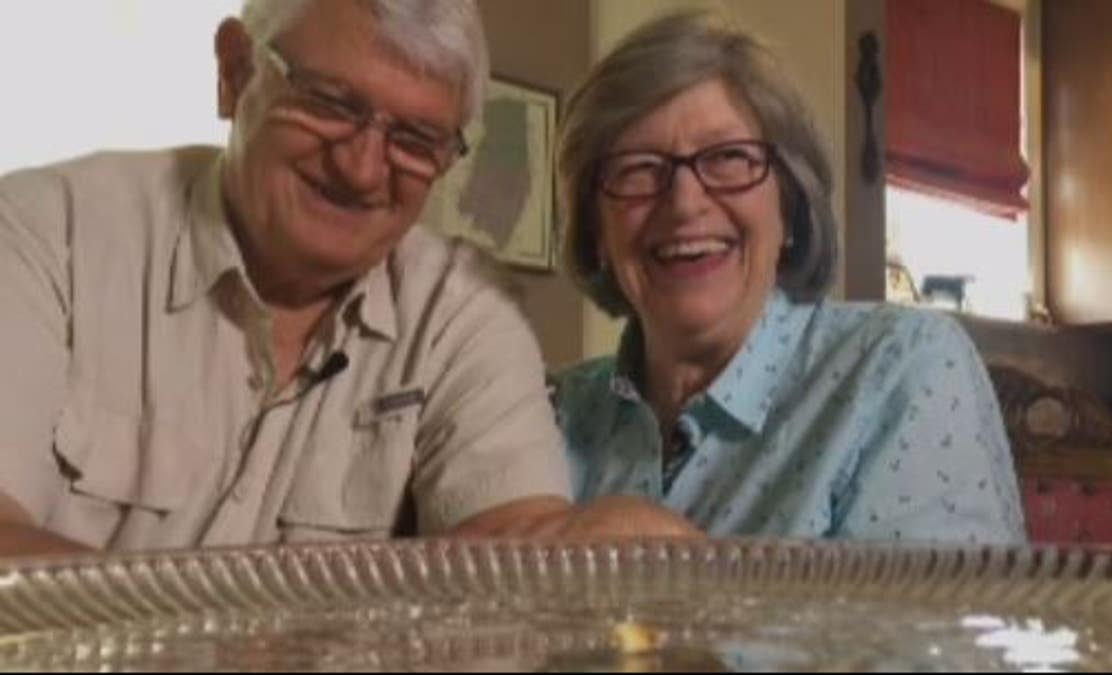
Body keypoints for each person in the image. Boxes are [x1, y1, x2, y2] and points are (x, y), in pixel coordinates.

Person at [0, 0, 699, 557]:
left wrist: (589, 546)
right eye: (329, 102)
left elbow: (510, 566)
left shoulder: (466, 316)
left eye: (415, 140)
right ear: (234, 71)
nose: (362, 168)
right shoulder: (44, 233)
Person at [552, 10, 1026, 544]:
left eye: (729, 157)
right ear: (595, 228)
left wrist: (685, 574)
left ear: (791, 203)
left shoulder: (901, 366)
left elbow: (935, 626)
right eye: (637, 168)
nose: (684, 204)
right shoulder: (550, 412)